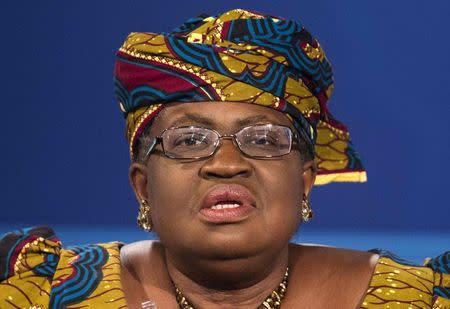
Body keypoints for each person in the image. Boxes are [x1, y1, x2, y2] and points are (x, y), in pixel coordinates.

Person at [0, 9, 448, 309]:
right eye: (190, 139)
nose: (227, 163)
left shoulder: (420, 298)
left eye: (264, 139)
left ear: (306, 181)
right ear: (142, 186)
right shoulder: (38, 291)